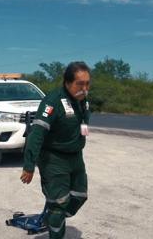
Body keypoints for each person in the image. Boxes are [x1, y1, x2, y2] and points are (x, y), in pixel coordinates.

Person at [21, 62, 92, 239]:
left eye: (87, 84)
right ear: (67, 83)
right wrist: (29, 165)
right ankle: (55, 220)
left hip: (75, 157)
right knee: (59, 204)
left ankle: (53, 216)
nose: (84, 88)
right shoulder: (53, 101)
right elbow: (36, 134)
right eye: (80, 84)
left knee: (80, 196)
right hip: (53, 159)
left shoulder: (83, 101)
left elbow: (83, 124)